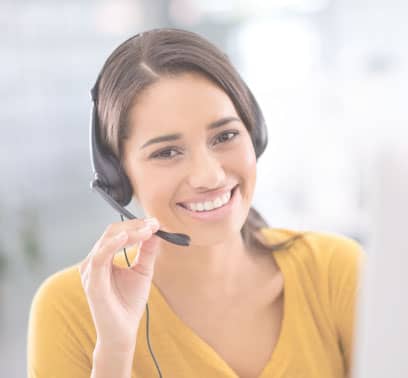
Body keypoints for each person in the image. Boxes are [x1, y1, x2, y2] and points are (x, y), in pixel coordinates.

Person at [27, 28, 366, 378]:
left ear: (255, 135)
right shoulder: (69, 309)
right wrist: (114, 348)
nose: (210, 176)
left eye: (225, 136)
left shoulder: (335, 271)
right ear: (119, 176)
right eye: (167, 152)